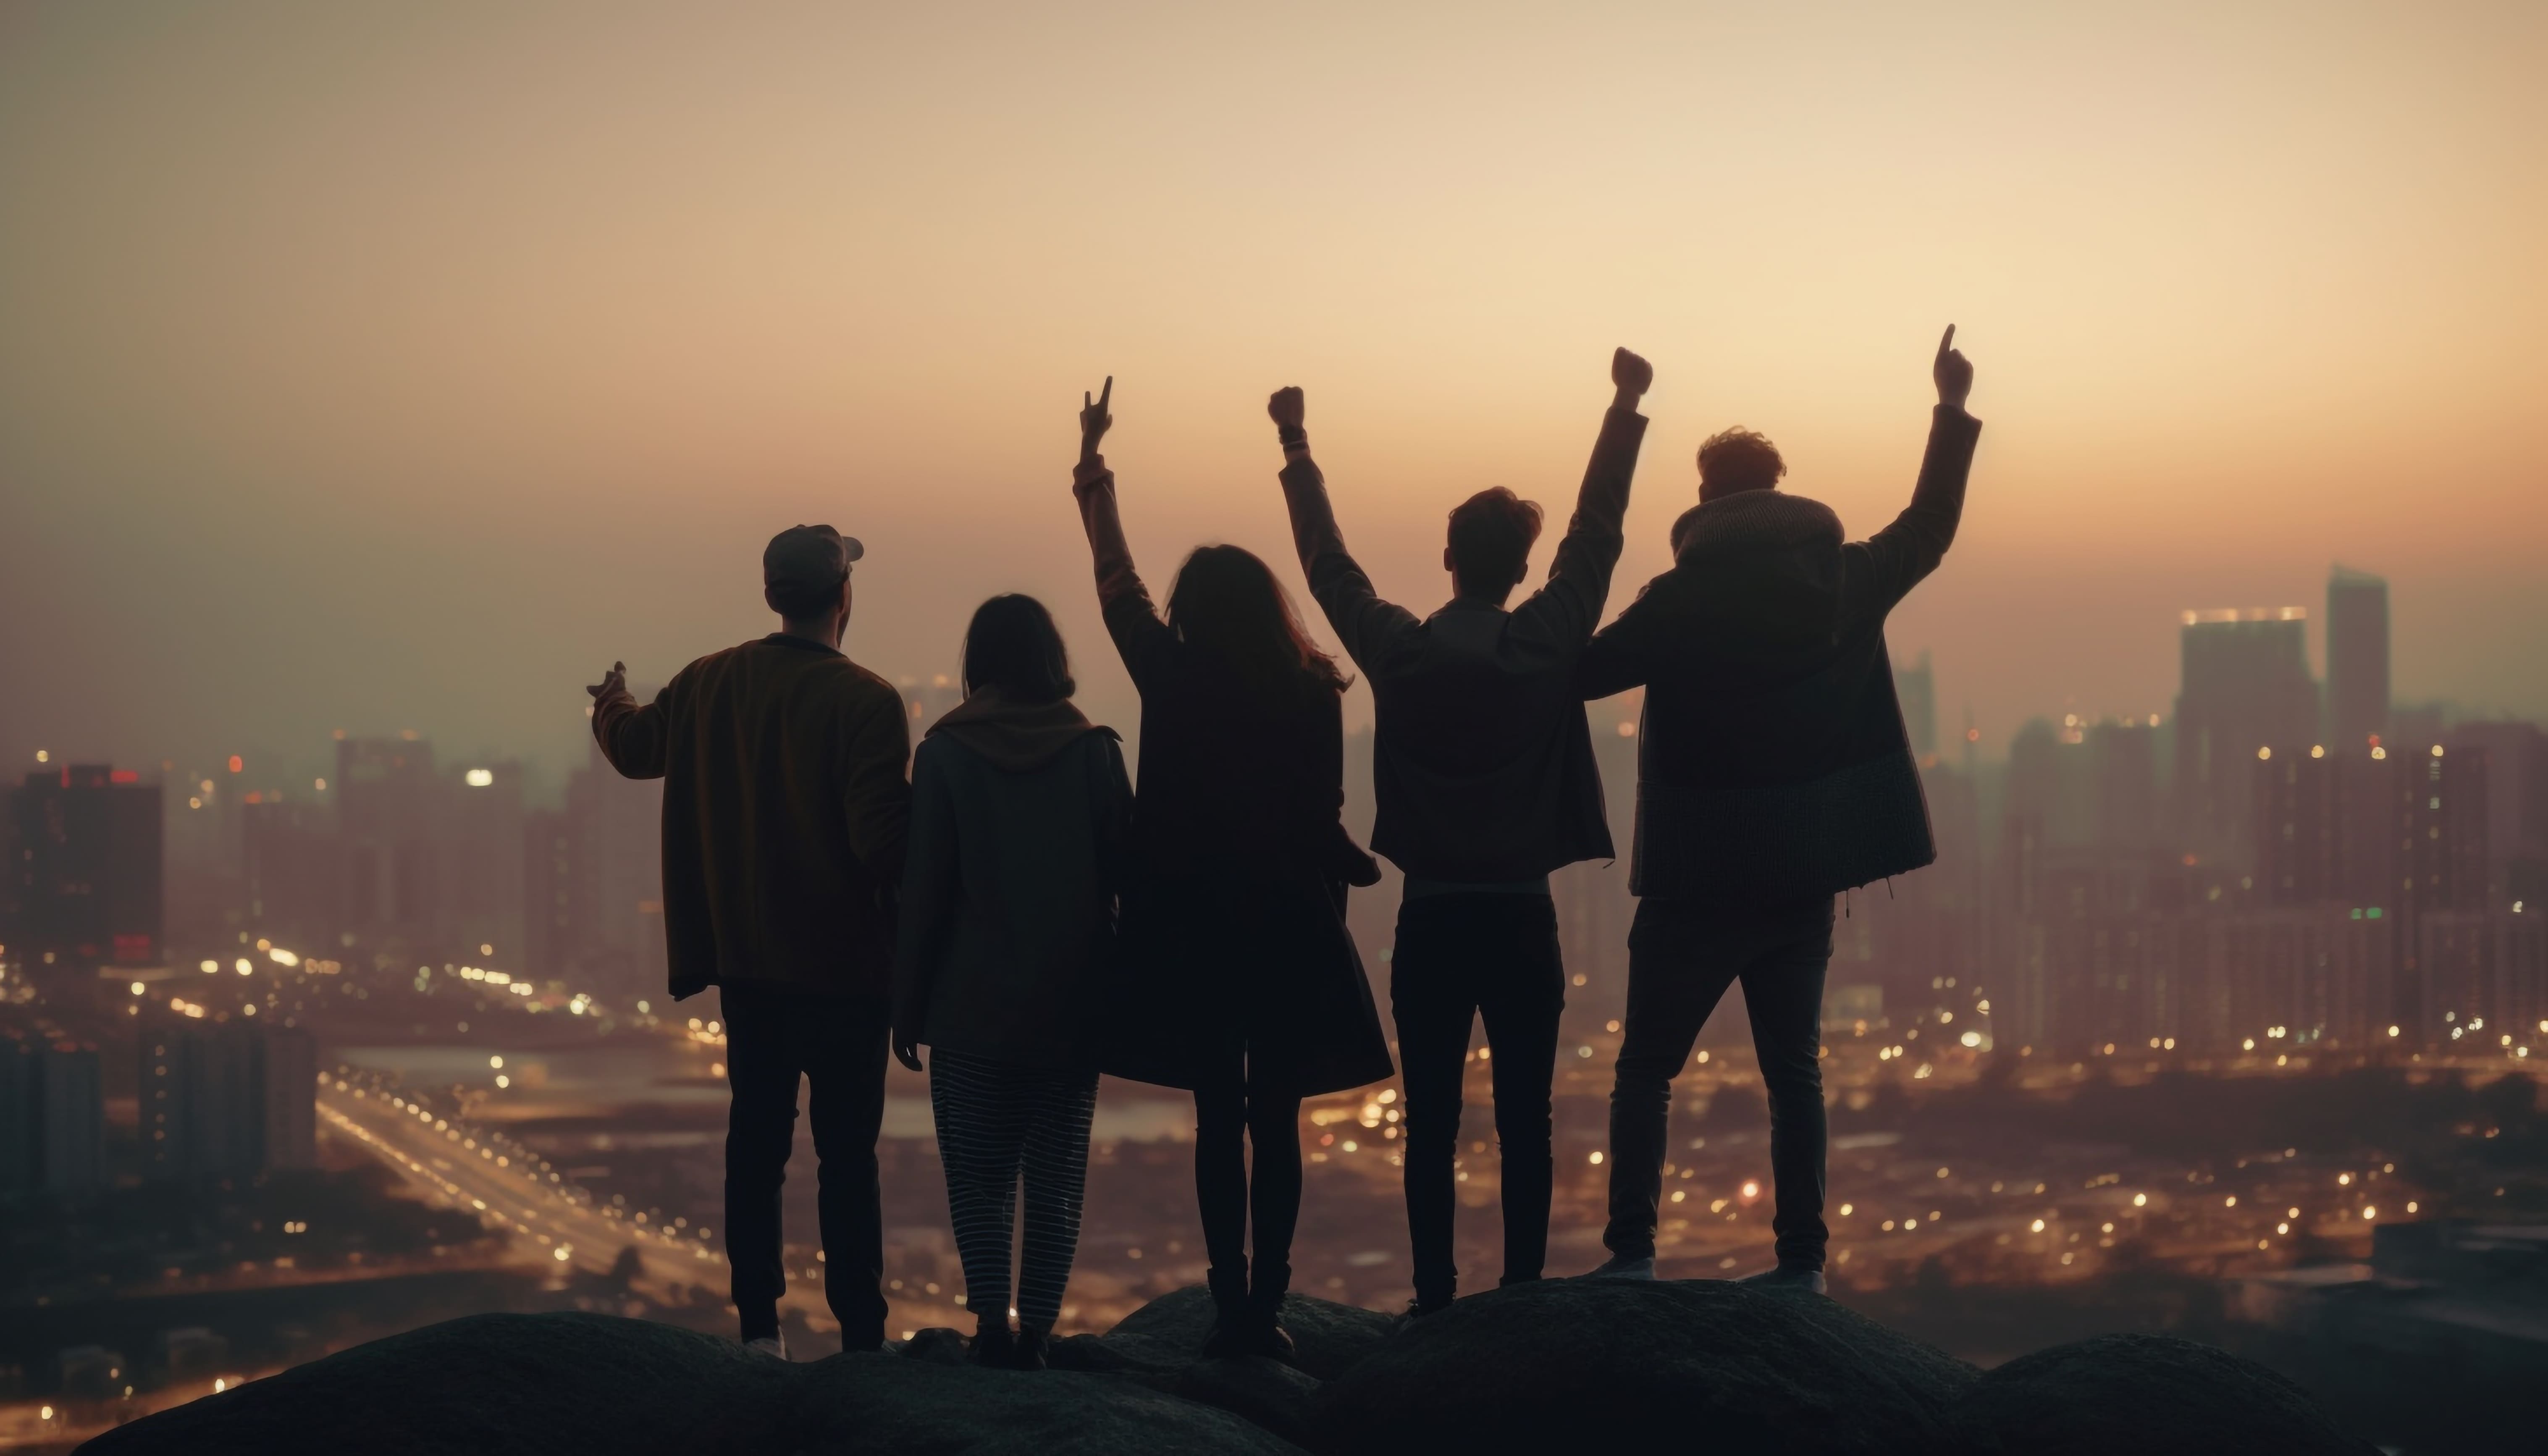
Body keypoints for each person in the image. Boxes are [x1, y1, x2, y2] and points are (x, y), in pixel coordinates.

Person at [1577, 327, 1982, 1293]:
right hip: (1802, 876)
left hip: (1695, 880)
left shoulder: (1678, 598)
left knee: (1645, 1072)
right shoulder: (1840, 575)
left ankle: (1631, 1257)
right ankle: (1801, 1265)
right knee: (1791, 1073)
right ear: (1780, 486)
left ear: (1707, 498)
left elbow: (1582, 673)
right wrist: (1951, 408)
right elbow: (1928, 527)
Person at [1263, 349, 1653, 1315]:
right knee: (1529, 1119)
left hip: (1429, 924)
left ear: (1447, 558)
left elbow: (1325, 565)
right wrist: (1624, 406)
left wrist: (1296, 443)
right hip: (1523, 921)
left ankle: (1433, 1299)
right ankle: (1521, 1293)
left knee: (1429, 1124)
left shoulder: (1399, 651)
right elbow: (1597, 535)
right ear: (1523, 569)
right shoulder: (1543, 644)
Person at [1068, 377, 1395, 1360]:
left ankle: (1223, 1300)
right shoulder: (1315, 690)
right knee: (1277, 1121)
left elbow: (1113, 577)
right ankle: (1270, 1307)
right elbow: (1327, 817)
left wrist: (1092, 462)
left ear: (1193, 613)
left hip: (1187, 928)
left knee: (1218, 1119)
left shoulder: (1166, 674)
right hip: (1290, 925)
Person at [586, 523, 911, 1357]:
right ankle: (862, 1337)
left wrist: (611, 698)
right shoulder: (868, 703)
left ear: (772, 595)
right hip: (848, 974)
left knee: (755, 1145)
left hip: (749, 968)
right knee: (848, 1160)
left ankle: (759, 1332)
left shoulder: (706, 684)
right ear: (844, 596)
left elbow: (630, 749)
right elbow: (884, 848)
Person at [891, 594, 1132, 1372]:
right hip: (1070, 1008)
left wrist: (907, 1007)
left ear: (978, 663)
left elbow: (922, 892)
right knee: (1057, 1178)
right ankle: (1038, 1339)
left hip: (969, 1008)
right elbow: (1130, 880)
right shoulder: (1094, 750)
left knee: (979, 1180)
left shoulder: (944, 755)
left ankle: (991, 1327)